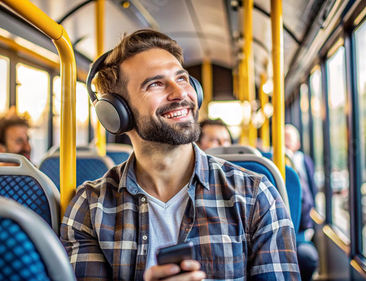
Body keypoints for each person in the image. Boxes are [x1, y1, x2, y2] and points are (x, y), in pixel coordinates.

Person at [60, 29, 300, 281]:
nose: (180, 93)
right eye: (155, 84)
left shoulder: (255, 197)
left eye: (183, 79)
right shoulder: (90, 207)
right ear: (116, 113)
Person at [285, 124, 319, 281]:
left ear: (298, 143)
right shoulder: (273, 161)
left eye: (289, 138)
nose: (286, 142)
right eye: (283, 137)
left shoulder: (305, 161)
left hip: (303, 224)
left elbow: (312, 189)